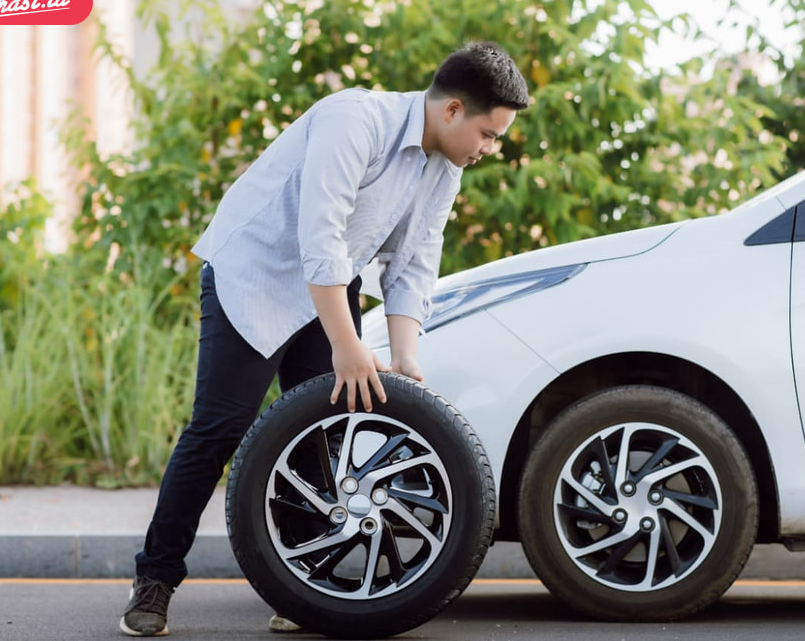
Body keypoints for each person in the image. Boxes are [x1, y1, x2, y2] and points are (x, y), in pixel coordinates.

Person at [119, 41, 529, 637]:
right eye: (490, 134)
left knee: (321, 438)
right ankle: (153, 583)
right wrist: (347, 344)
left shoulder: (445, 167)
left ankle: (301, 588)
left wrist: (406, 357)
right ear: (452, 110)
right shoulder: (354, 119)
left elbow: (415, 264)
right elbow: (321, 235)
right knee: (220, 428)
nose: (491, 150)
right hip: (255, 274)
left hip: (332, 287)